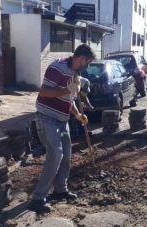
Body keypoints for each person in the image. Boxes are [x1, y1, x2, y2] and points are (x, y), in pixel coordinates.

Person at [28, 44, 95, 214]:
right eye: (87, 62)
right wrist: (67, 89)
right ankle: (37, 198)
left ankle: (60, 189)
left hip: (62, 119)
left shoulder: (74, 75)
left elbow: (69, 100)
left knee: (66, 155)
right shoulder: (57, 67)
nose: (86, 66)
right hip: (47, 117)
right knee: (56, 154)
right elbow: (44, 92)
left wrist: (79, 115)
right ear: (81, 58)